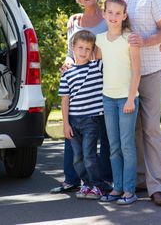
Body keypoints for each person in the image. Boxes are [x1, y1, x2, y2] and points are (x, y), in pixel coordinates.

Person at [111, 0, 161, 206]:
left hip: (149, 71)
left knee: (150, 128)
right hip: (125, 76)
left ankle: (158, 186)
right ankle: (137, 181)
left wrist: (147, 41)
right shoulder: (117, 0)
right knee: (132, 131)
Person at [50, 0, 112, 194]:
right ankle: (72, 179)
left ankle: (103, 180)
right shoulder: (74, 22)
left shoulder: (108, 17)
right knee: (72, 131)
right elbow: (70, 53)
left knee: (103, 134)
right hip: (78, 83)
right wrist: (67, 64)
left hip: (103, 81)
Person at [96, 0, 140, 205]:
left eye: (117, 13)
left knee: (126, 146)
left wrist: (131, 99)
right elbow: (87, 59)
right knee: (113, 146)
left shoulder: (130, 38)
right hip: (108, 99)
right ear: (104, 14)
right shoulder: (100, 40)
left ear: (124, 16)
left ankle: (130, 191)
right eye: (110, 12)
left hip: (127, 100)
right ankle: (117, 188)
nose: (113, 17)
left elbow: (137, 72)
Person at [59, 30, 105, 199]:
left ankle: (98, 186)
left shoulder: (97, 66)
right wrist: (65, 124)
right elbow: (65, 100)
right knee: (77, 158)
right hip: (73, 121)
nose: (83, 52)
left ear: (92, 50)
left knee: (89, 155)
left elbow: (102, 50)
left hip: (91, 120)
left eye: (88, 48)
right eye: (80, 47)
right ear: (73, 48)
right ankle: (87, 184)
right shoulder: (67, 73)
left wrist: (96, 44)